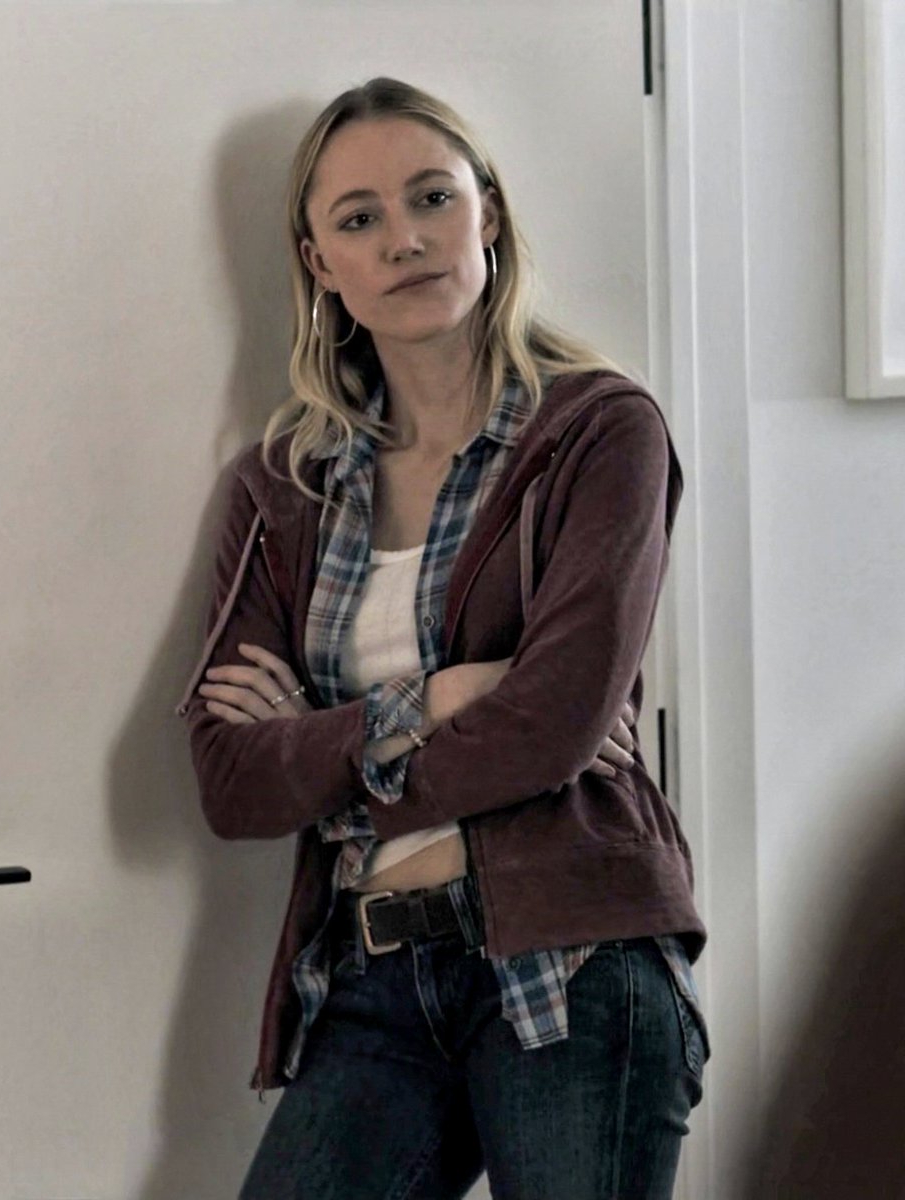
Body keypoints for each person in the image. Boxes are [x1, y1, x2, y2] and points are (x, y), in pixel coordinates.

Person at [177, 77, 708, 1200]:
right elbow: (229, 781)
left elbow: (554, 727)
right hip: (370, 977)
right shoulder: (284, 483)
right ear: (320, 262)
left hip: (573, 959)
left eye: (433, 197)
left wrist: (323, 758)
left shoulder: (599, 431)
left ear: (489, 212)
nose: (405, 239)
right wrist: (440, 696)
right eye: (359, 218)